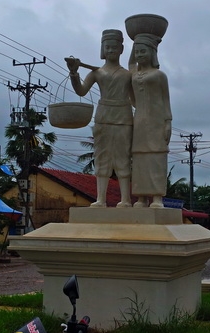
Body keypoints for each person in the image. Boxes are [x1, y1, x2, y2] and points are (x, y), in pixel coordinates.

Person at [65, 29, 134, 208]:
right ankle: (100, 199)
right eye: (108, 47)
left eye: (115, 47)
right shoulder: (96, 73)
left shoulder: (128, 75)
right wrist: (74, 73)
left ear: (121, 49)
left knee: (123, 157)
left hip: (123, 118)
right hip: (103, 116)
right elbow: (81, 91)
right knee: (102, 156)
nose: (111, 50)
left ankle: (125, 199)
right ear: (103, 49)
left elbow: (136, 101)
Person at [128, 33, 172, 208]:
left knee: (156, 157)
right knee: (139, 157)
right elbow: (130, 65)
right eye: (137, 52)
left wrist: (168, 121)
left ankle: (157, 197)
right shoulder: (133, 76)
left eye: (143, 51)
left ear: (152, 53)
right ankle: (141, 197)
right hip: (138, 121)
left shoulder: (159, 75)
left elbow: (166, 100)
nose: (139, 55)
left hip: (157, 121)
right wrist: (134, 43)